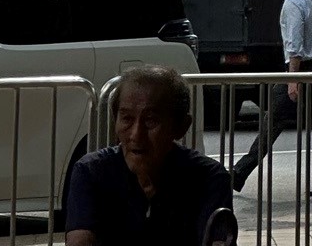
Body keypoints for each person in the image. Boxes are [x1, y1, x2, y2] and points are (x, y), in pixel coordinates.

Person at [65, 65, 234, 246]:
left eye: (151, 120)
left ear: (181, 127)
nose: (136, 135)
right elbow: (80, 240)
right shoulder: (91, 172)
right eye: (127, 119)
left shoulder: (209, 178)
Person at [230, 0, 312, 198]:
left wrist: (292, 80)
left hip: (300, 69)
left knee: (273, 123)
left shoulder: (292, 3)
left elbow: (295, 45)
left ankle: (238, 174)